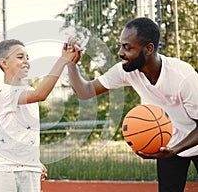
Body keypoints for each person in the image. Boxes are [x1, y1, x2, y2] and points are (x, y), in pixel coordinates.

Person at [67, 17, 198, 192]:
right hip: (169, 142)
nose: (120, 52)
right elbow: (85, 92)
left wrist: (175, 149)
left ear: (148, 49)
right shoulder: (126, 70)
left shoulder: (183, 78)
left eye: (127, 47)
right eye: (121, 46)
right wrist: (71, 64)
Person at [0, 39, 81, 192]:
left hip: (30, 169)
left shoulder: (28, 90)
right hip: (5, 170)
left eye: (27, 57)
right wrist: (62, 60)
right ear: (4, 63)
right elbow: (41, 94)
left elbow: (26, 133)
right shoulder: (4, 92)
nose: (26, 61)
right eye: (20, 57)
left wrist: (34, 161)